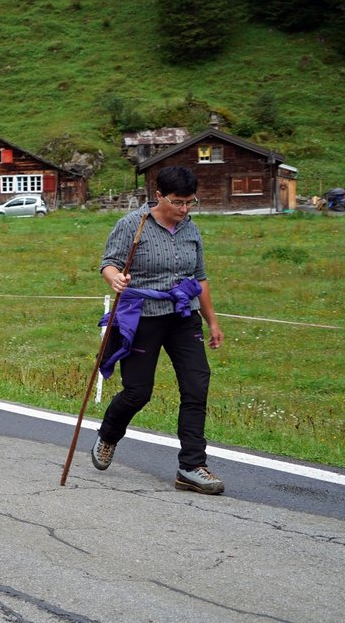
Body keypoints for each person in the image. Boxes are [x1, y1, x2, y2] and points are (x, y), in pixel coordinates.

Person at [92, 166, 225, 494]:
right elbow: (108, 262)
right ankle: (108, 435)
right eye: (178, 202)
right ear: (159, 196)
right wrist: (115, 278)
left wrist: (212, 321)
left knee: (196, 386)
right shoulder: (131, 225)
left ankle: (191, 466)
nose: (184, 209)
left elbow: (201, 277)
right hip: (143, 316)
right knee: (138, 392)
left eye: (190, 203)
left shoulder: (191, 230)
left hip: (183, 316)